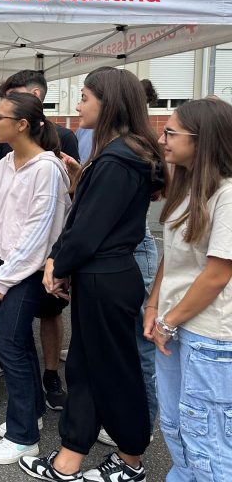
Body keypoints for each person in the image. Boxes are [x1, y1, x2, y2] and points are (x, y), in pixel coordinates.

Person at [20, 67, 165, 482]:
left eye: (84, 96)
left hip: (107, 277)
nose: (77, 105)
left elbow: (88, 229)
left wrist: (57, 264)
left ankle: (131, 459)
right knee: (85, 368)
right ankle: (70, 456)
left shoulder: (120, 157)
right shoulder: (118, 153)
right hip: (99, 276)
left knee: (114, 371)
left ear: (109, 102)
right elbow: (91, 217)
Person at [0, 93, 71, 465]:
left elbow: (40, 231)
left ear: (23, 124)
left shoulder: (47, 168)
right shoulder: (5, 162)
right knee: (16, 345)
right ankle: (31, 413)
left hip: (28, 271)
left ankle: (23, 436)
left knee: (12, 343)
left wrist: (5, 278)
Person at [143, 97, 232, 481]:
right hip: (176, 324)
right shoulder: (191, 185)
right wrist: (153, 306)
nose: (163, 139)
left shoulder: (227, 194)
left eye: (171, 132)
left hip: (207, 335)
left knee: (207, 437)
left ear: (203, 140)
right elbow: (174, 254)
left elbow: (217, 274)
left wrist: (169, 320)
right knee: (178, 427)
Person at [0, 69, 78, 411]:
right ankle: (31, 403)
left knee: (39, 320)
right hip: (8, 261)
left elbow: (48, 215)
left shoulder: (56, 150)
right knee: (14, 335)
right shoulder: (6, 155)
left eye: (0, 115)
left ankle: (50, 376)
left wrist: (5, 273)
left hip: (37, 263)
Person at [98, 77, 160, 447]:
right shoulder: (123, 144)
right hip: (124, 251)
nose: (79, 106)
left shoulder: (133, 148)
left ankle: (143, 425)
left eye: (87, 98)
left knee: (140, 345)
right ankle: (130, 419)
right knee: (125, 344)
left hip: (133, 251)